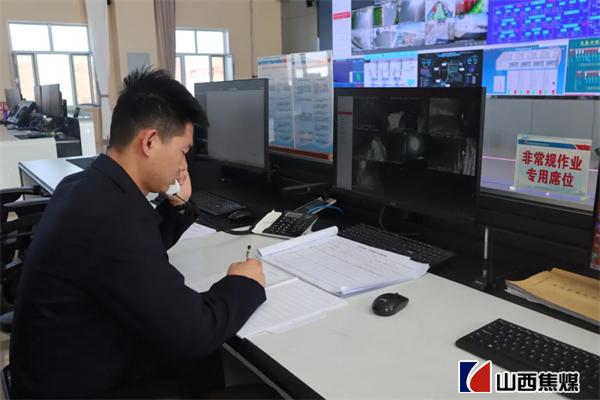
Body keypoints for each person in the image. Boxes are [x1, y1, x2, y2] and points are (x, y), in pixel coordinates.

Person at [10, 68, 270, 398]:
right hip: (79, 389)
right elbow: (195, 332)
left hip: (65, 368)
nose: (183, 165)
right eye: (183, 151)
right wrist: (244, 283)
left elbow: (128, 258)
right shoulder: (111, 217)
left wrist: (177, 206)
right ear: (149, 141)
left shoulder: (83, 185)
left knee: (202, 364)